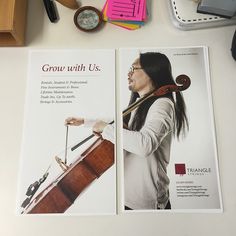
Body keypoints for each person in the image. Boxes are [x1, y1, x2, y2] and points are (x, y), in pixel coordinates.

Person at [65, 52, 189, 210]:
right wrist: (86, 121)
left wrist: (105, 128)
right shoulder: (141, 104)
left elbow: (145, 145)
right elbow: (118, 121)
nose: (128, 73)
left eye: (134, 68)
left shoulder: (162, 104)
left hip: (146, 203)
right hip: (128, 197)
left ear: (152, 72)